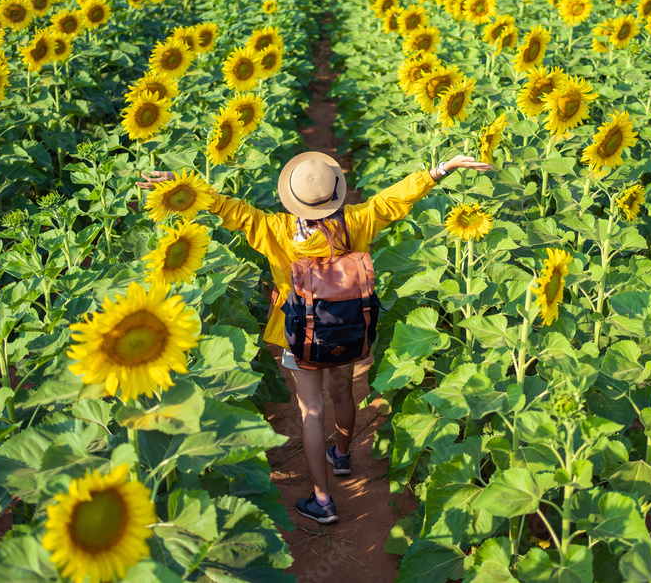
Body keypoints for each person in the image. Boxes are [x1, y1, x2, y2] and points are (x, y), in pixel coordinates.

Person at [138, 152, 491, 524]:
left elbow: (232, 210)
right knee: (341, 389)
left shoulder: (273, 228)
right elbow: (395, 199)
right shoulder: (356, 221)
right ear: (335, 192)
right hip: (348, 326)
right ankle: (340, 455)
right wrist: (441, 169)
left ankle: (323, 501)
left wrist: (186, 190)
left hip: (298, 333)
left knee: (311, 411)